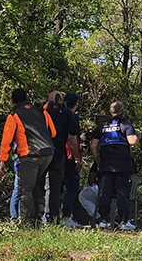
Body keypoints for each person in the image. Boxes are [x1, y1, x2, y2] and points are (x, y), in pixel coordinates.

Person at [0, 88, 56, 226]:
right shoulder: (41, 112)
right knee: (34, 184)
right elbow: (53, 133)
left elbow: (6, 140)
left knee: (25, 189)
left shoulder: (14, 116)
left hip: (29, 155)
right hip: (47, 154)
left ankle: (27, 222)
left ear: (13, 101)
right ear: (26, 98)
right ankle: (40, 215)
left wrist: (2, 161)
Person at [90, 101, 138, 231]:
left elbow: (93, 146)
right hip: (122, 165)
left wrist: (98, 160)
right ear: (122, 110)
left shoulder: (102, 127)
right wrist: (137, 136)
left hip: (106, 164)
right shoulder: (126, 125)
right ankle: (123, 221)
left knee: (105, 192)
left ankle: (103, 220)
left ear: (110, 112)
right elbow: (132, 141)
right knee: (122, 193)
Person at [42, 91, 81, 226]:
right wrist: (77, 157)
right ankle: (55, 217)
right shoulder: (67, 114)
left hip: (41, 154)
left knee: (43, 186)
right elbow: (72, 138)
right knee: (57, 186)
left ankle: (40, 216)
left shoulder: (42, 112)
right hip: (60, 155)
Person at [60, 92, 84, 228]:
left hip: (58, 155)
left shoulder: (58, 114)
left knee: (56, 187)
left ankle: (52, 215)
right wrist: (77, 158)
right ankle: (66, 216)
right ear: (76, 104)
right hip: (69, 156)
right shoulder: (71, 117)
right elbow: (72, 138)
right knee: (72, 187)